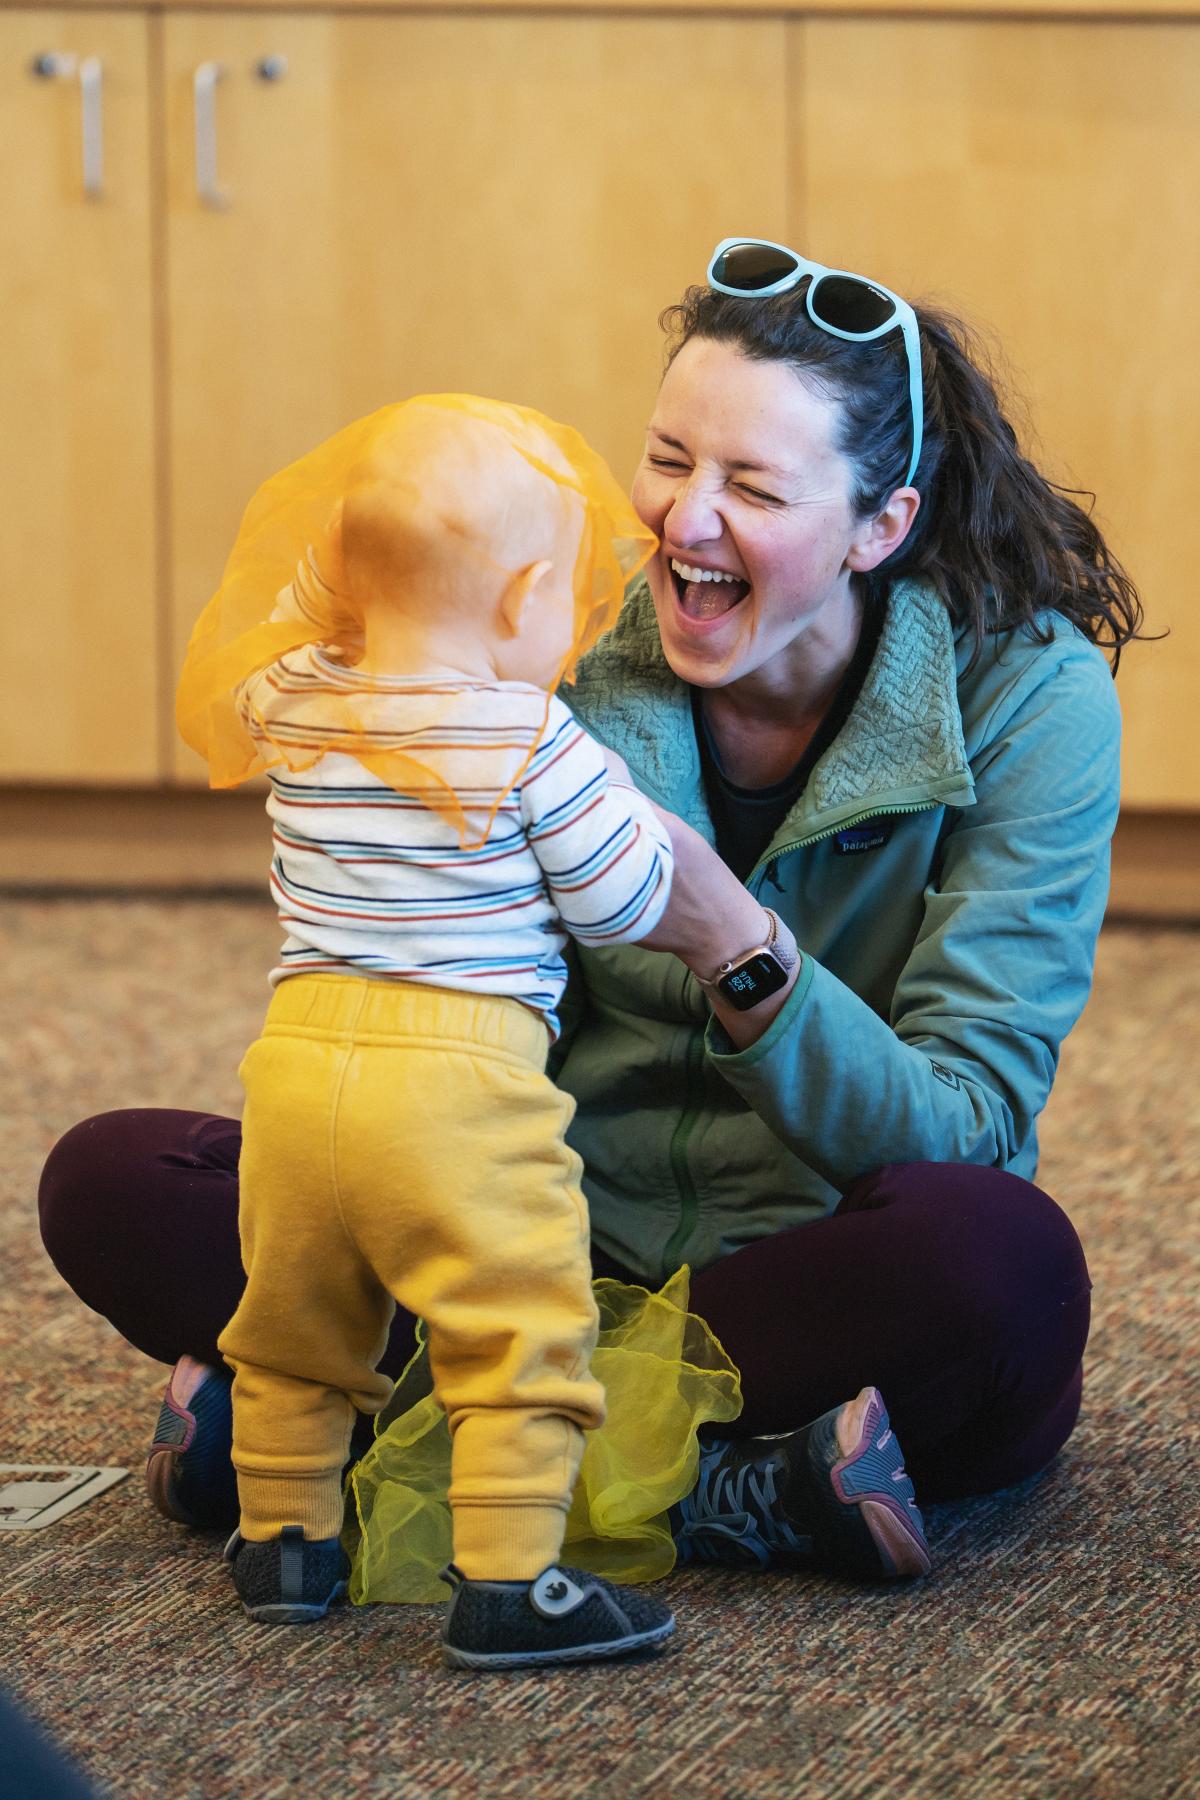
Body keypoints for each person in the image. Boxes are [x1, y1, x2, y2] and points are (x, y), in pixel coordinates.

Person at [40, 236, 1138, 1615]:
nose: (683, 522)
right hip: (532, 1231)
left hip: (807, 1267)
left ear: (881, 524)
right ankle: (727, 1488)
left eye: (752, 486)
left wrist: (736, 945)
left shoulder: (1028, 698)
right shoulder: (548, 646)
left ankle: (359, 1443)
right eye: (671, 459)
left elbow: (966, 1125)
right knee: (114, 1179)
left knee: (1000, 1269)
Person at [166, 393, 709, 1670]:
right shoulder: (533, 740)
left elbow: (266, 652)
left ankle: (283, 1544)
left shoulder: (299, 697)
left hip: (295, 1070)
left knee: (293, 1321)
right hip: (460, 1080)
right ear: (525, 600)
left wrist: (333, 585)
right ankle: (513, 1581)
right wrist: (628, 805)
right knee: (519, 1322)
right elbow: (629, 902)